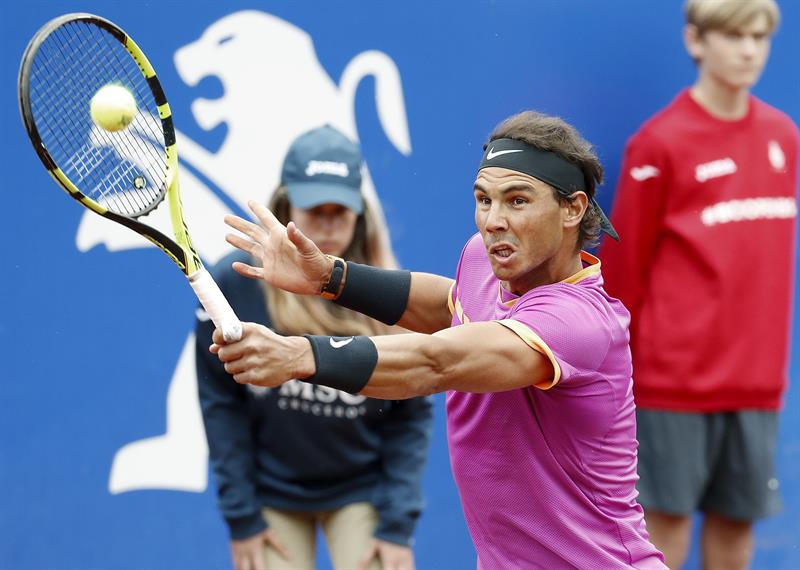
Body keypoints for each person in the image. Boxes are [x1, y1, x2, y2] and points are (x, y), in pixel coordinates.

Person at [211, 110, 667, 568]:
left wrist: (299, 354)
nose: (493, 221)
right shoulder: (484, 260)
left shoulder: (579, 323)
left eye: (517, 201)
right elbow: (451, 304)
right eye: (483, 200)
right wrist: (331, 276)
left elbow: (438, 362)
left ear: (573, 208)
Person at [598, 1, 798, 568]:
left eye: (759, 37)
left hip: (756, 381)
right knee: (664, 527)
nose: (748, 50)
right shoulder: (660, 143)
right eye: (733, 35)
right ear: (696, 40)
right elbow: (624, 272)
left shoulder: (784, 135)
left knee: (737, 526)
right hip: (673, 382)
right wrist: (620, 373)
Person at [195, 125, 433, 570]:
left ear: (361, 215)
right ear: (285, 206)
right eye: (313, 210)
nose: (326, 225)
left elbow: (412, 415)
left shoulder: (390, 297)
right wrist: (243, 518)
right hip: (271, 492)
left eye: (339, 212)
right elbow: (221, 403)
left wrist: (396, 525)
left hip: (362, 489)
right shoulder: (235, 284)